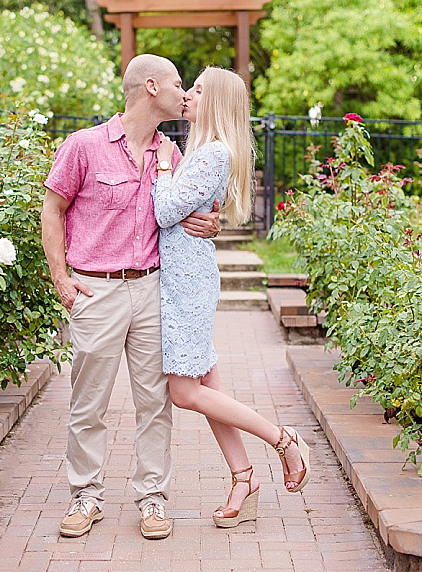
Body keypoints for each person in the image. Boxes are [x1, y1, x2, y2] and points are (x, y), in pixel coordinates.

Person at [41, 54, 221, 540]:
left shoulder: (173, 154)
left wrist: (213, 224)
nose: (185, 94)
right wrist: (62, 280)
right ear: (150, 86)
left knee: (154, 403)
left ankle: (153, 500)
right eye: (178, 84)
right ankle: (86, 495)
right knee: (88, 402)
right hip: (95, 290)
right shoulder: (84, 146)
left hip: (153, 288)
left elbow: (190, 214)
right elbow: (52, 211)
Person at [152, 67, 309, 529]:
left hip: (187, 284)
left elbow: (164, 210)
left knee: (184, 393)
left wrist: (164, 166)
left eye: (198, 90)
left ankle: (282, 438)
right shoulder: (198, 150)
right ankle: (244, 478)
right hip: (181, 278)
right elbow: (179, 213)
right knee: (209, 391)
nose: (188, 95)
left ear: (215, 101)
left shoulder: (210, 153)